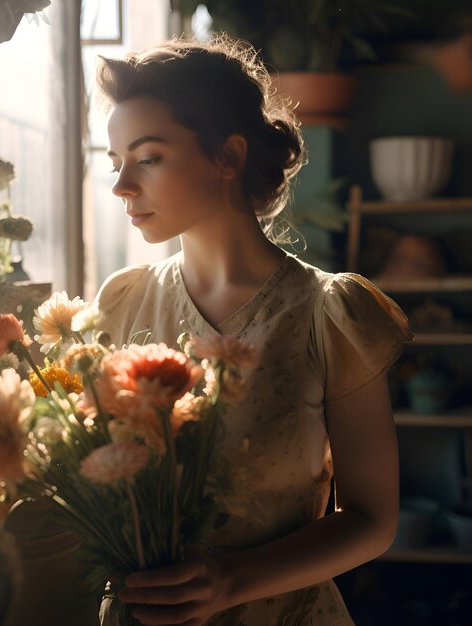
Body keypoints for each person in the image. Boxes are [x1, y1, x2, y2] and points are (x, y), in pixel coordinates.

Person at [94, 35, 412, 626]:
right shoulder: (123, 304)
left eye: (149, 157)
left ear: (229, 156)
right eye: (116, 163)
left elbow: (373, 518)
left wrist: (232, 581)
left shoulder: (328, 314)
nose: (121, 187)